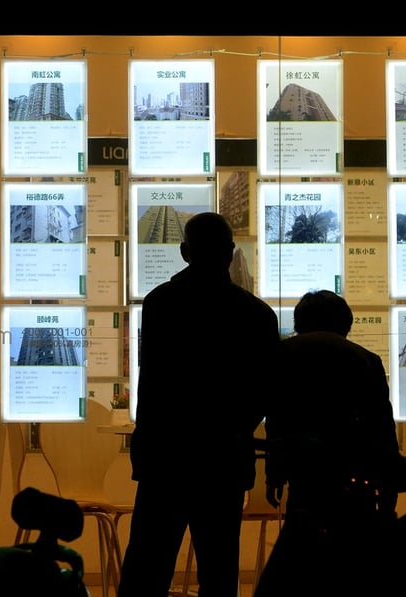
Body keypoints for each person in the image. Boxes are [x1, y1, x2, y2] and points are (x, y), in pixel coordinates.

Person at [118, 212, 281, 597]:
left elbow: (153, 384)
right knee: (219, 571)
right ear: (230, 252)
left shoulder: (161, 303)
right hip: (224, 458)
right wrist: (238, 432)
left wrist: (144, 448)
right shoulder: (257, 314)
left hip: (166, 457)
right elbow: (264, 393)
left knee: (147, 569)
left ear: (184, 251)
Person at [254, 290, 400, 597]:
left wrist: (274, 475)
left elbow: (276, 419)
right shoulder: (367, 360)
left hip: (304, 477)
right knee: (354, 568)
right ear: (345, 323)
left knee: (299, 564)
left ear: (299, 321)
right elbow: (382, 428)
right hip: (355, 481)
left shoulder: (282, 355)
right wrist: (389, 491)